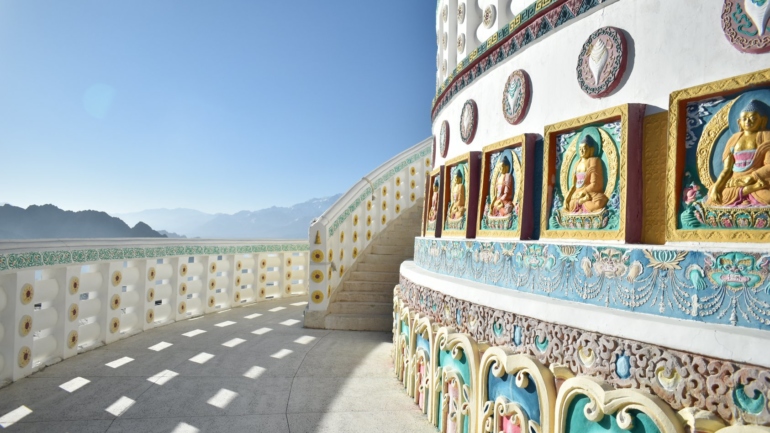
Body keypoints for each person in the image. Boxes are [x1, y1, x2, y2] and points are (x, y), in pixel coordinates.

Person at [708, 100, 770, 207]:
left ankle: (751, 189)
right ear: (739, 122)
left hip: (758, 180)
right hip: (736, 182)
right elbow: (727, 170)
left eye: (752, 118)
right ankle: (748, 190)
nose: (747, 121)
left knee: (767, 197)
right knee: (713, 194)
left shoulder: (766, 136)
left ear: (763, 120)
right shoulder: (733, 139)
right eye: (744, 119)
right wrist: (716, 187)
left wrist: (753, 177)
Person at [563, 136, 609, 213]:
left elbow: (595, 184)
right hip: (577, 195)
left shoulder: (594, 161)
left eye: (584, 148)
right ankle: (580, 203)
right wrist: (568, 197)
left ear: (591, 150)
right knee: (570, 205)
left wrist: (583, 192)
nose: (581, 151)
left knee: (599, 203)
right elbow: (574, 185)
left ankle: (581, 204)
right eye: (580, 149)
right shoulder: (577, 164)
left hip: (590, 193)